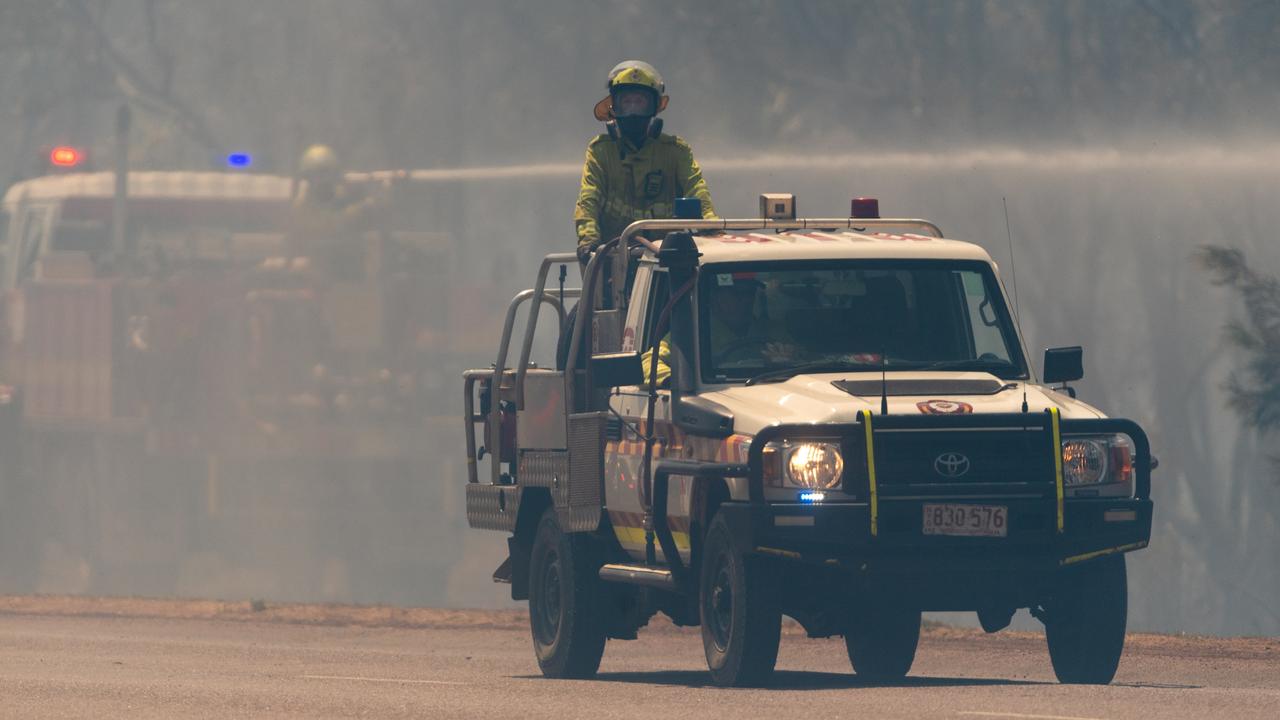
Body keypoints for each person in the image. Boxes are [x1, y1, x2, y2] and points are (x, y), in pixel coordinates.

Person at [574, 60, 717, 263]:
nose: (633, 111)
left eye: (639, 102)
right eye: (626, 102)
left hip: (667, 262)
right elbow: (588, 199)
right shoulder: (601, 151)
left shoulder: (675, 152)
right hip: (613, 260)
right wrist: (588, 240)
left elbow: (696, 188)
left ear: (655, 106)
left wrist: (710, 223)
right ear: (614, 106)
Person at [642, 275, 792, 387]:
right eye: (736, 294)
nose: (745, 300)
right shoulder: (693, 333)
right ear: (714, 296)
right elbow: (648, 362)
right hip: (713, 397)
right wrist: (677, 381)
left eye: (749, 293)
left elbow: (807, 359)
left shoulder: (771, 331)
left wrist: (786, 363)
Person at [287, 144, 384, 281]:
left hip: (352, 273)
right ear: (308, 177)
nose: (324, 179)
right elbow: (327, 227)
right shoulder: (301, 205)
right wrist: (364, 207)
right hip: (318, 276)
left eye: (327, 173)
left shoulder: (342, 196)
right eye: (319, 174)